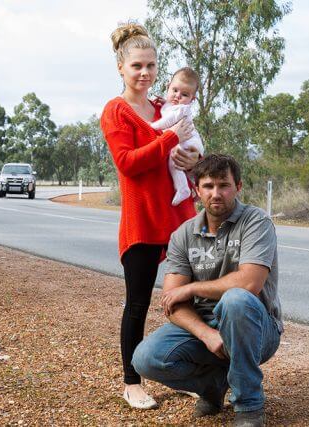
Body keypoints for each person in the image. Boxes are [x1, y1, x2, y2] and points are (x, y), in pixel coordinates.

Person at [131, 154, 283, 427]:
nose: (216, 193)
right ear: (196, 189)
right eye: (209, 186)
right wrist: (207, 334)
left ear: (238, 186)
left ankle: (249, 405)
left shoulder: (256, 222)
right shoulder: (183, 234)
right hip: (206, 328)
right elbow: (172, 300)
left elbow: (250, 283)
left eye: (223, 185)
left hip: (257, 328)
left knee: (235, 300)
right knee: (145, 358)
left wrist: (192, 288)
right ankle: (213, 386)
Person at [100, 22, 200, 410]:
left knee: (188, 300)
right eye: (137, 65)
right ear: (121, 69)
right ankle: (132, 382)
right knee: (138, 302)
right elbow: (128, 164)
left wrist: (194, 157)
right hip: (142, 221)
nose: (145, 73)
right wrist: (172, 138)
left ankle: (185, 374)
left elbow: (189, 153)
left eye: (152, 66)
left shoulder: (165, 106)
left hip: (179, 218)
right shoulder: (116, 111)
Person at [151, 67, 205, 206]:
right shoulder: (170, 106)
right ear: (168, 87)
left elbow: (167, 121)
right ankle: (190, 188)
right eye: (175, 90)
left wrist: (151, 126)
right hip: (190, 142)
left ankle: (183, 189)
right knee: (176, 160)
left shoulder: (181, 108)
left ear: (192, 99)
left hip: (190, 142)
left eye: (184, 94)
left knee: (174, 159)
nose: (177, 96)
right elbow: (169, 109)